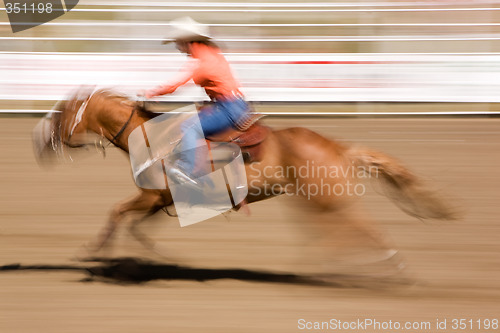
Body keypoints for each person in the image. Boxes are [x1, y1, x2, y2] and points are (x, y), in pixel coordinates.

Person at [142, 17, 251, 187]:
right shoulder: (211, 52)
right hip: (234, 104)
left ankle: (189, 170)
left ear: (187, 41)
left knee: (188, 127)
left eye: (178, 42)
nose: (177, 47)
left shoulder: (199, 62)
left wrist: (151, 92)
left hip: (228, 108)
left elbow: (175, 84)